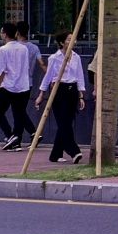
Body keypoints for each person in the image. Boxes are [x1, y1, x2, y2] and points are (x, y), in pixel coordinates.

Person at [39, 36, 88, 165]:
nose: (72, 41)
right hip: (58, 90)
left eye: (73, 39)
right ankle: (73, 150)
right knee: (63, 122)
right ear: (61, 42)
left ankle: (55, 154)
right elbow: (48, 77)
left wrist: (81, 95)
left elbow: (79, 76)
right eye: (68, 39)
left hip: (72, 90)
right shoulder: (54, 58)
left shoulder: (76, 57)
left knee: (67, 122)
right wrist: (41, 94)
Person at [0, 23, 37, 151]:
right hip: (23, 85)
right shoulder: (24, 48)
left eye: (1, 32)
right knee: (19, 113)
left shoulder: (3, 49)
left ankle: (11, 136)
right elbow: (26, 67)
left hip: (8, 86)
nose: (1, 34)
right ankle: (17, 140)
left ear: (5, 34)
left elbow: (0, 70)